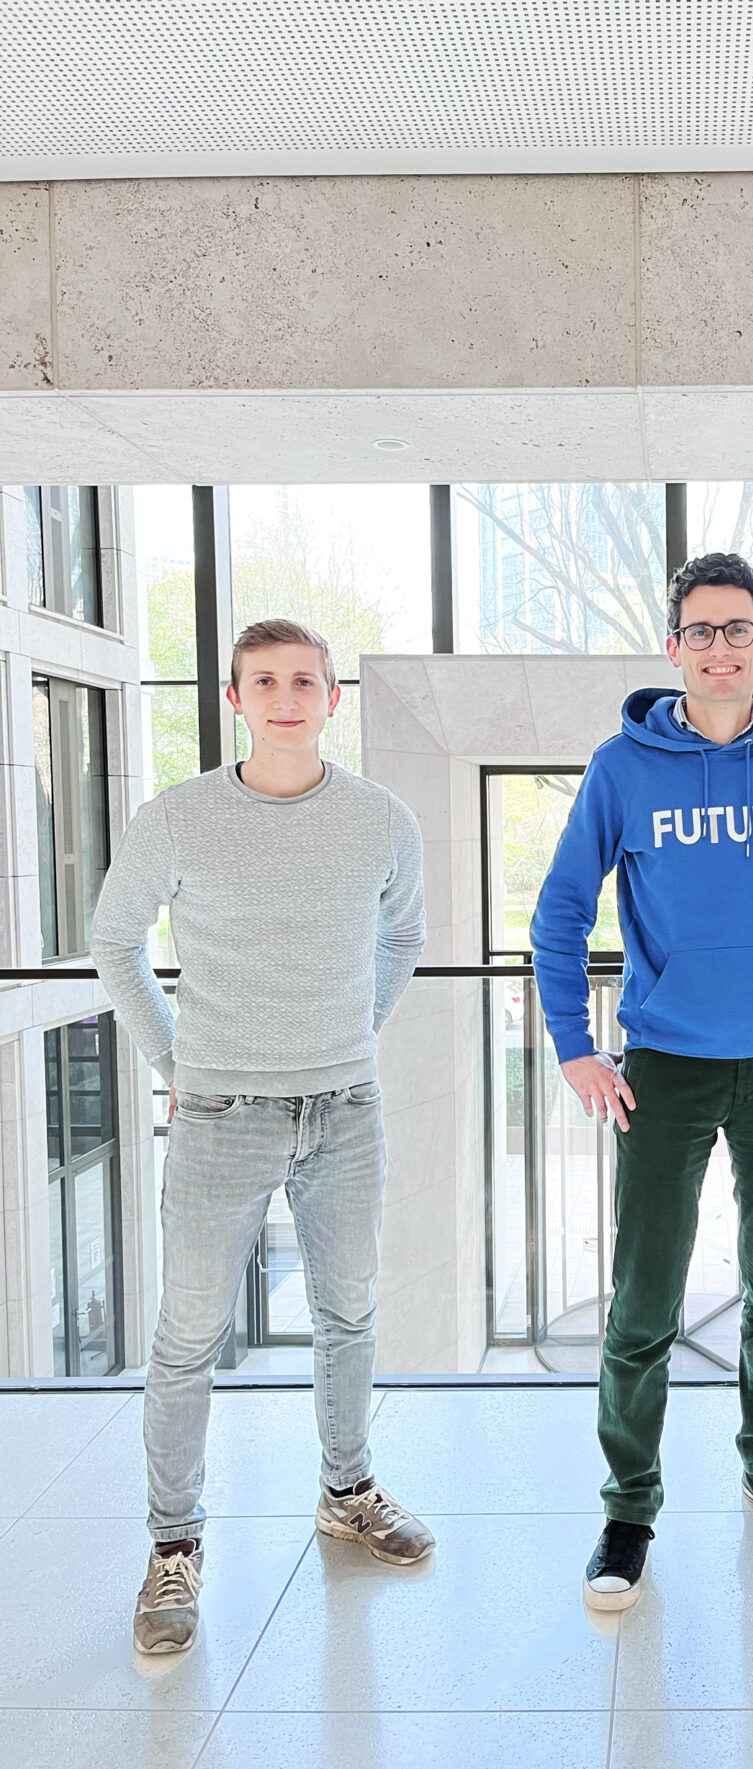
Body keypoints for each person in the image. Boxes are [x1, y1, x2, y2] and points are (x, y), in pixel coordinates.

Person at [531, 550, 753, 1610]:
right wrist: (574, 1044)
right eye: (701, 630)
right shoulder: (621, 768)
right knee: (643, 1298)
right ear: (674, 647)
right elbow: (559, 914)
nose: (720, 647)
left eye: (738, 629)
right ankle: (629, 1507)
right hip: (664, 1070)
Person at [91, 618, 433, 1656]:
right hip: (220, 1117)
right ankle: (174, 1544)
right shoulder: (178, 818)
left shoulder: (382, 819)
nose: (287, 698)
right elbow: (114, 940)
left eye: (305, 681)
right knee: (187, 1338)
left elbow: (404, 936)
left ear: (333, 699)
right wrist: (175, 1063)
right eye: (265, 681)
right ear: (236, 699)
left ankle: (347, 1490)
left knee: (349, 1314)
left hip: (346, 1110)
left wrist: (354, 1029)